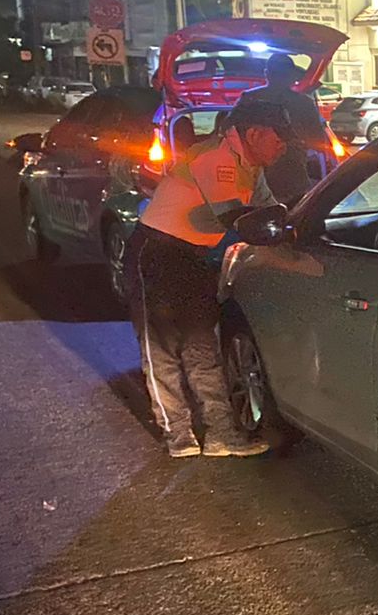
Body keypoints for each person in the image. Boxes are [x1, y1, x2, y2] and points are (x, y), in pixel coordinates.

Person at [130, 101, 292, 458]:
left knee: (202, 345)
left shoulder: (251, 165)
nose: (285, 146)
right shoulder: (216, 157)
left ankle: (220, 434)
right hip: (158, 253)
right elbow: (235, 219)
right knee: (162, 349)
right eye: (280, 138)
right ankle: (178, 434)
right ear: (254, 133)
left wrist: (294, 224)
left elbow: (271, 212)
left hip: (196, 256)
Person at [232, 52, 331, 203]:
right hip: (291, 182)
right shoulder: (303, 103)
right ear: (291, 76)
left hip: (252, 183)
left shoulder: (249, 99)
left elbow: (229, 134)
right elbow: (319, 142)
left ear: (267, 74)